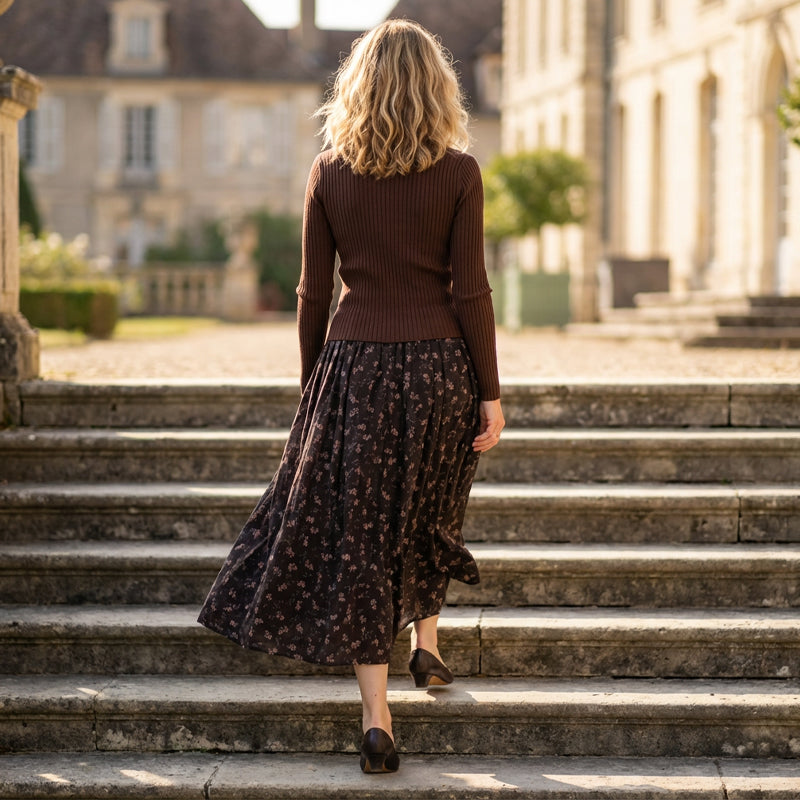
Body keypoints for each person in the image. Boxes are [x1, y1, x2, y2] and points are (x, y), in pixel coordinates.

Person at [197, 18, 504, 775]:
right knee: (428, 512)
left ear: (356, 87)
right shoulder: (461, 172)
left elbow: (312, 293)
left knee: (363, 536)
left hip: (354, 369)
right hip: (441, 369)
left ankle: (376, 716)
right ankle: (426, 644)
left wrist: (312, 390)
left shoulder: (329, 170)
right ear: (438, 88)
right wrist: (490, 392)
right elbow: (472, 292)